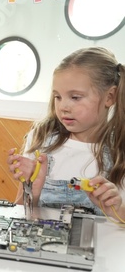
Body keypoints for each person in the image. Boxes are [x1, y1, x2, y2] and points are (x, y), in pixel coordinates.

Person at [7, 47, 125, 221]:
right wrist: (32, 191)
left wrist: (117, 208)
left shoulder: (120, 148)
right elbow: (21, 212)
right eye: (57, 97)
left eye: (75, 97)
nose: (63, 107)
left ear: (110, 96)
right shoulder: (41, 138)